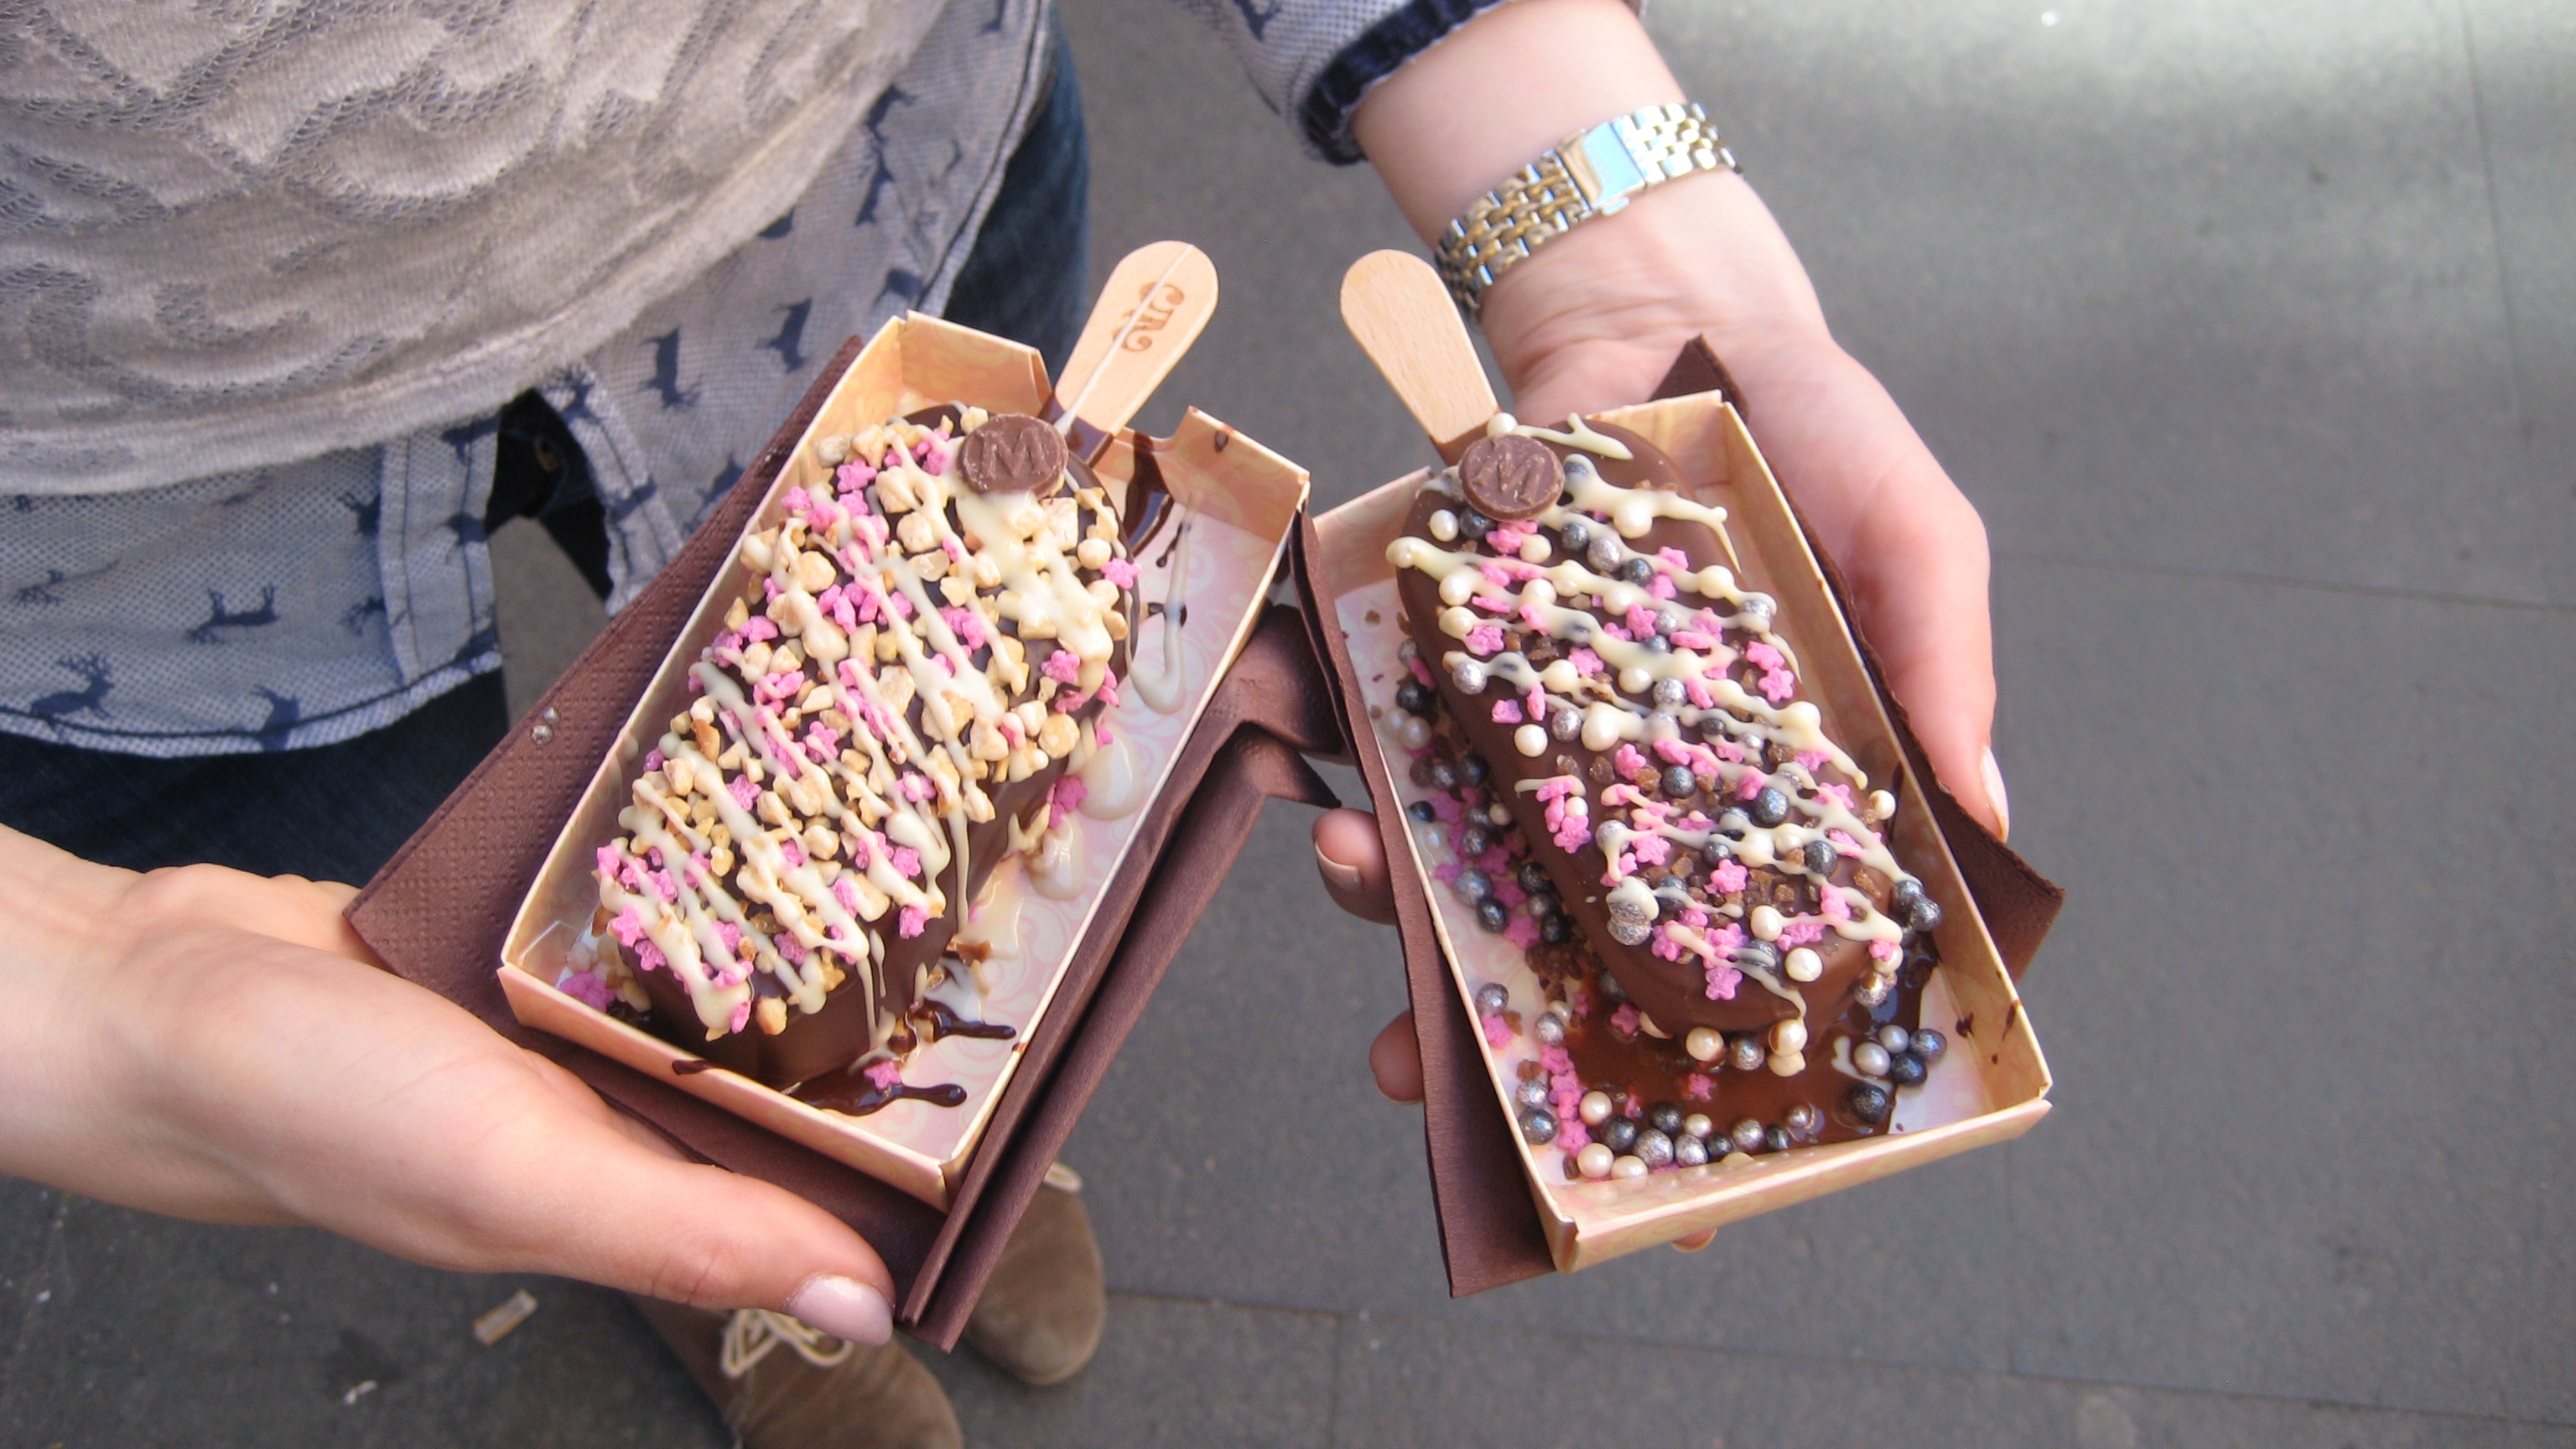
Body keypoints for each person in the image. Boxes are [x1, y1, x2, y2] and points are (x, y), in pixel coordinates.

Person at [0, 0, 2004, 1442]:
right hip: (133, 519)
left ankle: (909, 1099)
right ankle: (710, 1182)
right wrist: (76, 972)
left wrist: (1601, 208)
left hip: (854, 200)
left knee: (991, 754)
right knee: (397, 923)